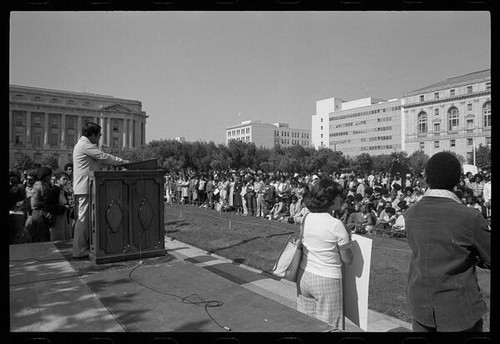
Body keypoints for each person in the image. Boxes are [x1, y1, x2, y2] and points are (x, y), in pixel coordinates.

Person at [405, 152, 490, 332]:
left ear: (426, 178)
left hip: (420, 304)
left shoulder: (411, 213)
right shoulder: (470, 217)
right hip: (458, 310)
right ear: (459, 180)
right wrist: (473, 255)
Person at [296, 178, 353, 330]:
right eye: (339, 196)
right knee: (330, 327)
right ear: (330, 199)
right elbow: (347, 259)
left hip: (304, 274)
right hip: (327, 279)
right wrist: (350, 241)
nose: (342, 199)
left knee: (306, 323)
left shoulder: (307, 217)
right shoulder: (336, 224)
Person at [72, 122, 130, 258]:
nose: (99, 138)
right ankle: (79, 249)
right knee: (84, 219)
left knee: (87, 218)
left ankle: (85, 246)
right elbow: (103, 157)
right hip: (85, 187)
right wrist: (122, 162)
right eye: (99, 135)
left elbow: (99, 160)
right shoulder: (85, 145)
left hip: (88, 186)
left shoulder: (84, 145)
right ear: (92, 134)